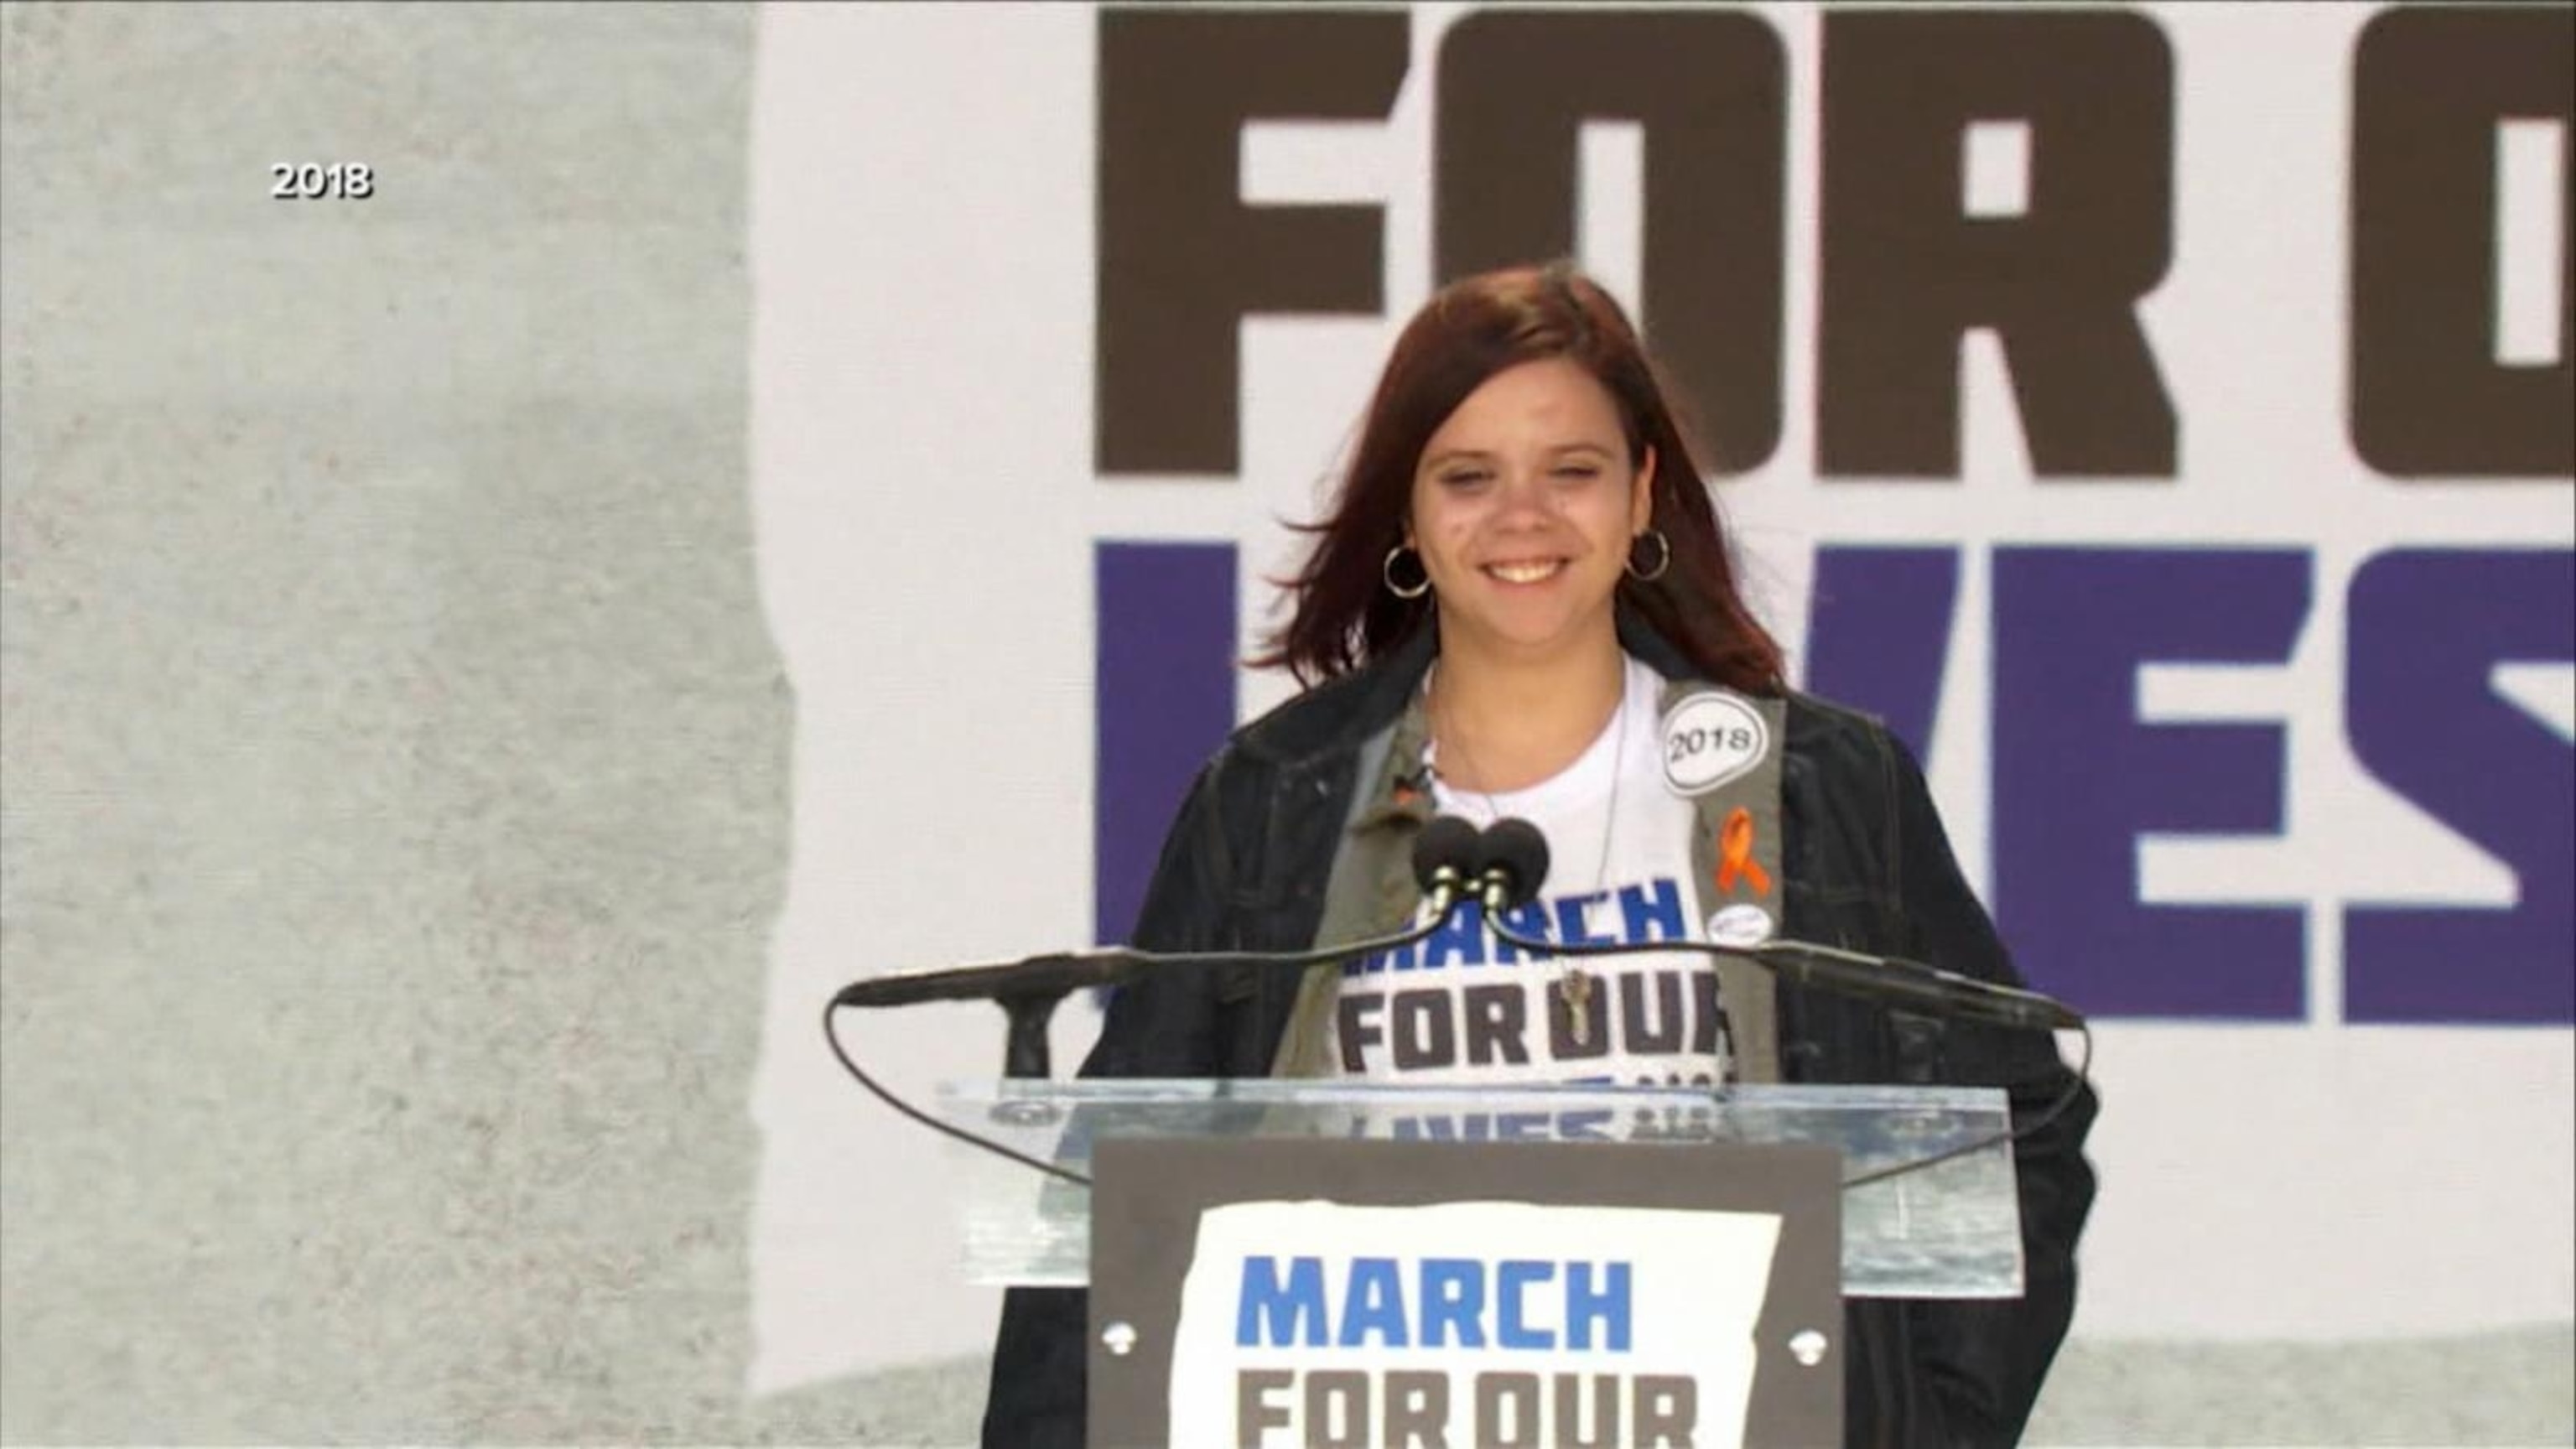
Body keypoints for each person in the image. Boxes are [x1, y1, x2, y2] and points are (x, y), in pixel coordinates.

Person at [982, 262, 2097, 1448]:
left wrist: (1920, 1428)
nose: (1524, 518)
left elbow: (2021, 1124)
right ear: (1408, 514)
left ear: (1641, 494)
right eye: (1469, 477)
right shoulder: (1277, 802)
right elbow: (1110, 1197)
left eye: (1572, 471)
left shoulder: (1815, 790)